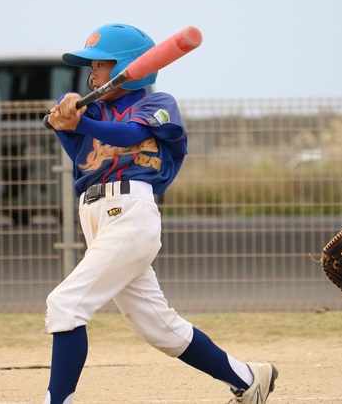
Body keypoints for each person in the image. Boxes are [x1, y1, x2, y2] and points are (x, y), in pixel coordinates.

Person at [43, 24, 278, 404]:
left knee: (66, 304)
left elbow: (127, 136)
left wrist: (79, 119)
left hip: (131, 212)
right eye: (90, 67)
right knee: (160, 328)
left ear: (127, 66)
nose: (92, 74)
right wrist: (66, 115)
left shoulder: (157, 103)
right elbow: (82, 155)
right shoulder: (95, 107)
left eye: (100, 65)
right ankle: (250, 379)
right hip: (94, 214)